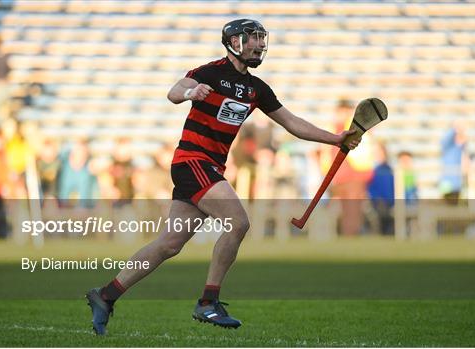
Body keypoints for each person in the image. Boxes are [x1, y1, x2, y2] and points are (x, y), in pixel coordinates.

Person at [86, 19, 361, 334]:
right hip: (192, 161)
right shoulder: (209, 73)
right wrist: (192, 91)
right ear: (233, 42)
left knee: (169, 244)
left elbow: (292, 122)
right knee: (238, 222)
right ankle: (208, 302)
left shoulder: (258, 89)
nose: (259, 44)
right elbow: (174, 92)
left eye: (261, 38)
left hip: (211, 168)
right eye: (252, 38)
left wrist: (335, 139)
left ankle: (105, 295)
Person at [329, 99, 374, 236]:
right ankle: (347, 233)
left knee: (353, 208)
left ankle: (351, 233)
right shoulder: (334, 127)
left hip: (354, 174)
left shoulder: (355, 128)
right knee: (345, 209)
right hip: (340, 177)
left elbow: (364, 153)